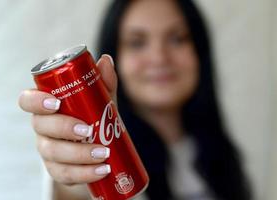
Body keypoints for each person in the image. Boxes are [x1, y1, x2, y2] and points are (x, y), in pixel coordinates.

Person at [19, 0, 252, 199]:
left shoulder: (226, 153)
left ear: (199, 52)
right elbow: (73, 191)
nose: (159, 57)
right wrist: (77, 175)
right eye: (137, 42)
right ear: (114, 57)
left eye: (178, 39)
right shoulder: (106, 155)